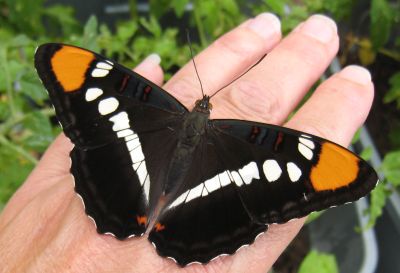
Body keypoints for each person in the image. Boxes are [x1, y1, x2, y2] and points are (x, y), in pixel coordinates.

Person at [0, 13, 374, 272]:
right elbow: (68, 65)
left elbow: (330, 172)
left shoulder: (143, 101)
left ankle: (149, 219)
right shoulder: (261, 143)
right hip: (188, 190)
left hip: (159, 177)